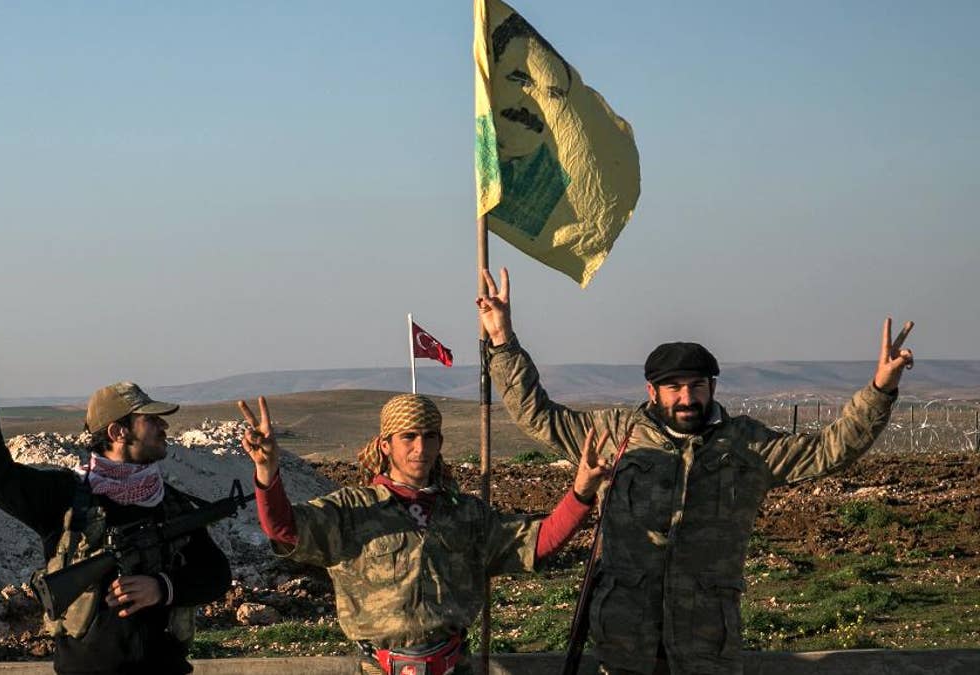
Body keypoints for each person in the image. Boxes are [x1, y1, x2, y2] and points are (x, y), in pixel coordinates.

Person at [475, 267, 914, 675]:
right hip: (625, 642)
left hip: (706, 647)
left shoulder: (747, 446)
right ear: (652, 391)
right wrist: (502, 340)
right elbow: (538, 416)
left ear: (712, 388)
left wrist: (880, 389)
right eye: (674, 388)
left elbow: (831, 449)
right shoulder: (613, 434)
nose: (687, 398)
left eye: (697, 386)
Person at [238, 392, 611, 675]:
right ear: (385, 445)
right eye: (409, 436)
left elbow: (537, 541)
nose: (421, 447)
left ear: (440, 443)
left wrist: (581, 492)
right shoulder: (351, 510)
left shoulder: (465, 513)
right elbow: (285, 531)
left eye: (430, 436)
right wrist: (268, 473)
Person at [0, 345, 231, 674]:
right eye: (150, 420)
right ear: (117, 431)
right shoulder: (67, 497)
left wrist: (162, 587)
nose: (163, 427)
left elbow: (216, 575)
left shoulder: (170, 502)